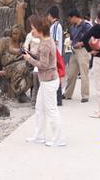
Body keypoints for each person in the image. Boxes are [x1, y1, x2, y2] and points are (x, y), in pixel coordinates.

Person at [23, 15, 66, 147]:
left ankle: (58, 138)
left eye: (33, 29)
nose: (32, 32)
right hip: (47, 80)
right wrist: (31, 55)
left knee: (51, 109)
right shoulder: (46, 41)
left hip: (49, 81)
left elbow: (43, 65)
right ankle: (39, 135)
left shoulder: (45, 44)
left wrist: (29, 59)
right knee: (39, 108)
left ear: (40, 29)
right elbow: (43, 59)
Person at [63, 9, 92, 102]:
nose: (70, 21)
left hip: (83, 51)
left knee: (84, 73)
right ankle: (68, 93)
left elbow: (90, 37)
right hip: (74, 51)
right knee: (71, 73)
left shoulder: (86, 26)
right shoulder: (72, 27)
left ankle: (85, 95)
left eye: (70, 18)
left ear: (75, 17)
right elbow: (71, 38)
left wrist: (82, 43)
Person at [47, 6, 63, 106]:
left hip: (55, 54)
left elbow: (55, 41)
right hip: (56, 53)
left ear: (51, 15)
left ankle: (58, 98)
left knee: (56, 76)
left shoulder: (56, 26)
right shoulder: (55, 25)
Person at [24, 17, 41, 107]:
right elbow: (26, 45)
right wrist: (27, 53)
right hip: (32, 58)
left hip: (40, 58)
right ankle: (34, 100)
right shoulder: (29, 35)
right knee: (34, 80)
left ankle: (38, 100)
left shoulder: (41, 35)